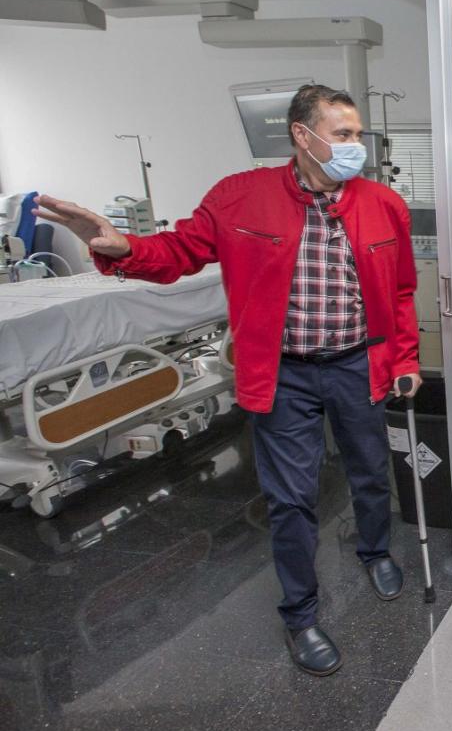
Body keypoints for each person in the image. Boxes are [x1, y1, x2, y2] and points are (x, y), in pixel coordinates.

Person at [34, 84, 421, 677]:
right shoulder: (241, 197)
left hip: (356, 364)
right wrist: (117, 245)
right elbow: (178, 251)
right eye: (342, 135)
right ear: (302, 135)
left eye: (355, 135)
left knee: (371, 472)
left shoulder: (380, 204)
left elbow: (399, 292)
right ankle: (300, 615)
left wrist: (405, 359)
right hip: (284, 375)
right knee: (290, 501)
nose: (354, 147)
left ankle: (374, 550)